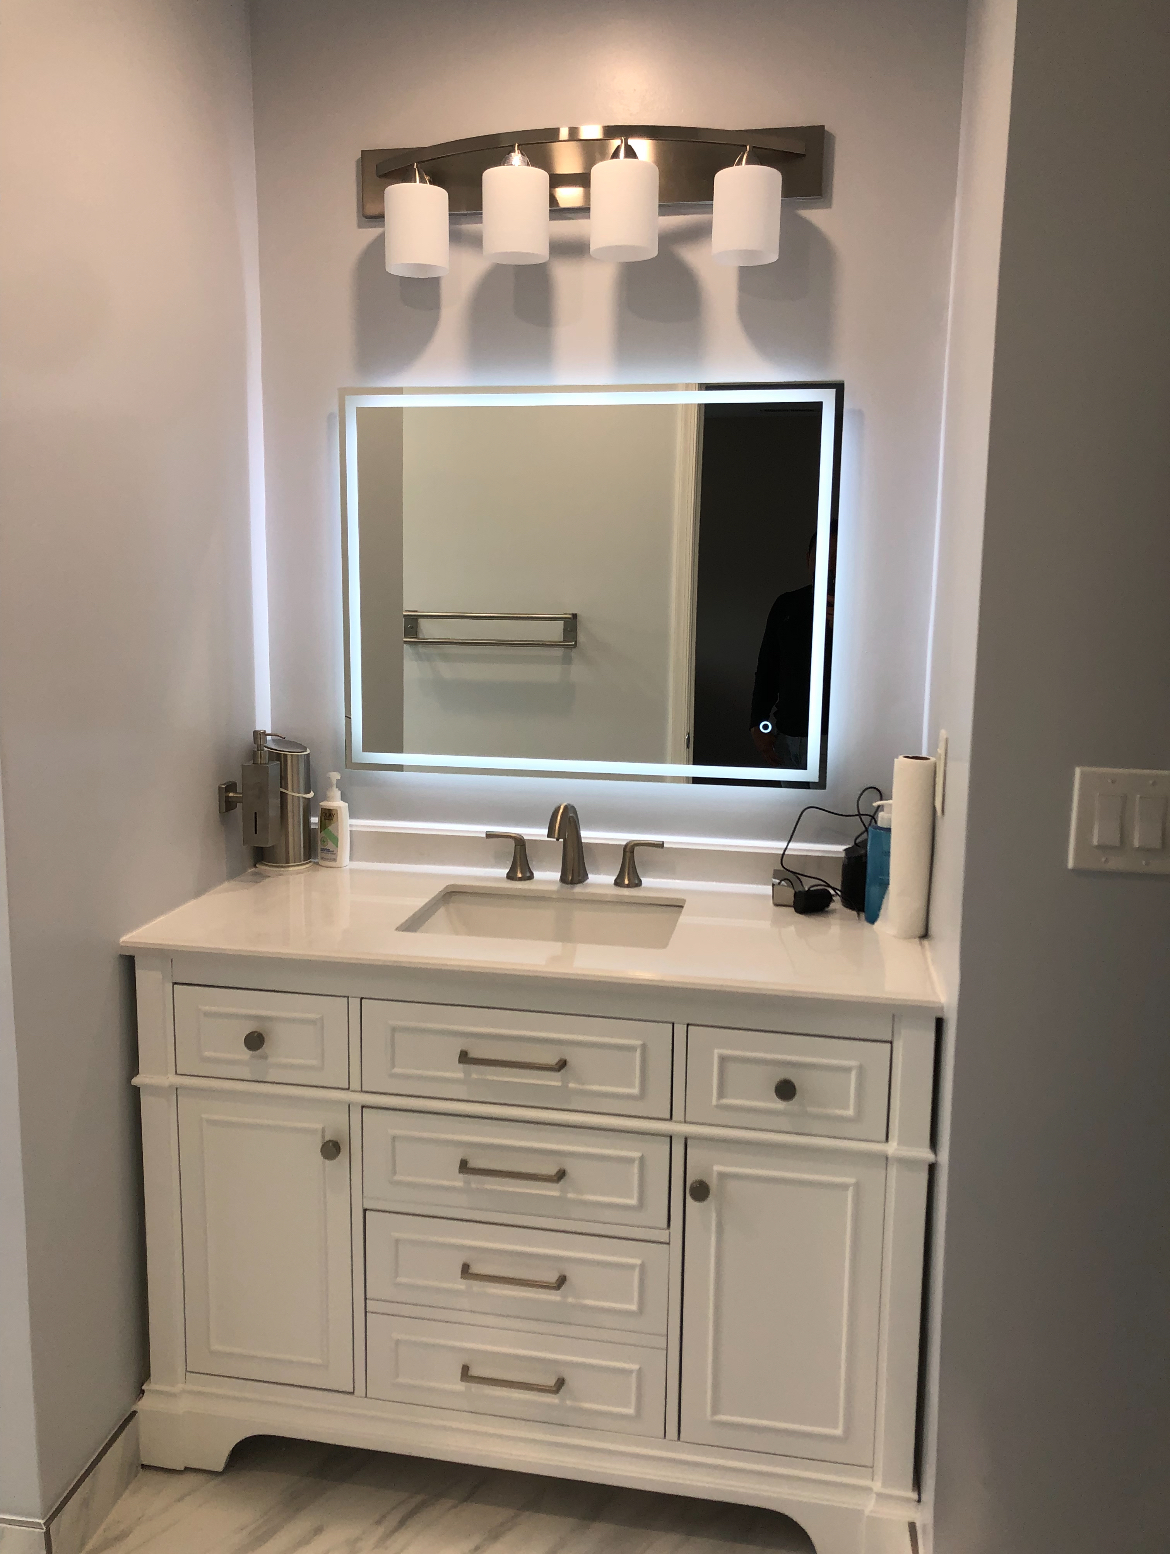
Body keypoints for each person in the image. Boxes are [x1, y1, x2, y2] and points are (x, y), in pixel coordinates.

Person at [749, 532, 831, 769]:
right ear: (809, 559)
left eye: (837, 558)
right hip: (786, 735)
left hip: (833, 740)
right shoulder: (786, 605)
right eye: (822, 556)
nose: (829, 566)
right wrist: (758, 722)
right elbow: (767, 669)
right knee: (790, 807)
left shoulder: (860, 610)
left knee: (827, 807)